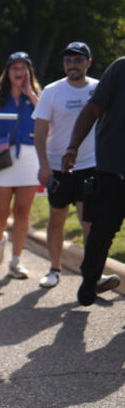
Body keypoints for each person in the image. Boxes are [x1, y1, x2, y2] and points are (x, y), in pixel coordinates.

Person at [33, 41, 117, 291]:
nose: (72, 65)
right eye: (68, 60)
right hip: (59, 168)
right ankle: (54, 269)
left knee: (90, 222)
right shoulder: (52, 91)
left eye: (78, 60)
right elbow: (39, 130)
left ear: (88, 63)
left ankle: (93, 276)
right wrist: (44, 165)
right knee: (56, 219)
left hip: (92, 166)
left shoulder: (99, 88)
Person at [62, 54, 125, 305]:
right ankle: (89, 283)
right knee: (101, 234)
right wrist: (72, 147)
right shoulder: (120, 68)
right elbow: (92, 109)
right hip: (113, 171)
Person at [0, 52, 42, 279]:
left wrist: (30, 94)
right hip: (1, 156)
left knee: (22, 211)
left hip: (29, 157)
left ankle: (16, 260)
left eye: (23, 67)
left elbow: (46, 120)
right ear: (7, 72)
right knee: (0, 214)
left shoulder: (37, 95)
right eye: (14, 67)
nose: (18, 71)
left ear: (29, 71)